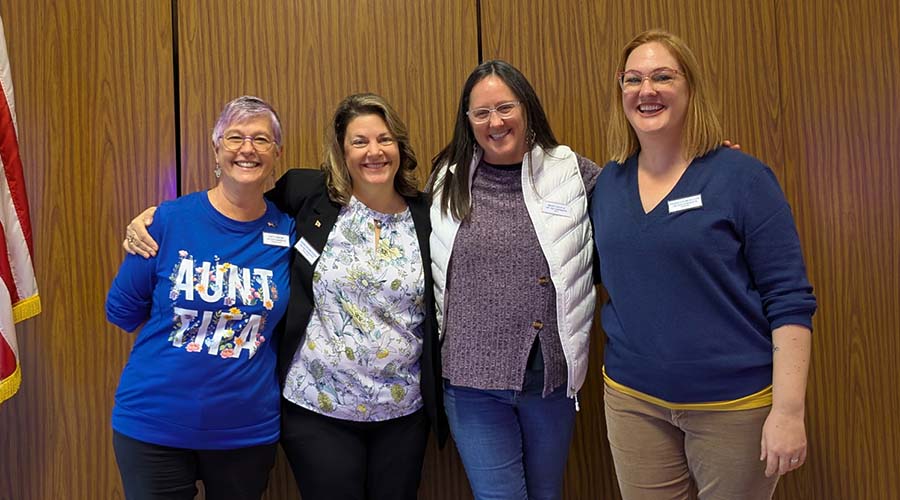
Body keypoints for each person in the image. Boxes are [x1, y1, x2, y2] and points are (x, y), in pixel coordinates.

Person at [123, 93, 447, 500]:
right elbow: (237, 208)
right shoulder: (309, 194)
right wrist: (154, 219)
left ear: (399, 145)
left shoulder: (428, 214)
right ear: (342, 151)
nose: (374, 151)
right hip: (317, 407)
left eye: (384, 139)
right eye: (359, 141)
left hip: (403, 410)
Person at [592, 29, 817, 499]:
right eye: (633, 79)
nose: (646, 90)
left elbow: (789, 298)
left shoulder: (742, 178)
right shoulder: (607, 184)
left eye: (662, 77)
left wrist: (789, 411)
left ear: (690, 87)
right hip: (633, 402)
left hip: (733, 405)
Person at [106, 95, 294, 500]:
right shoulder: (167, 221)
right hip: (154, 425)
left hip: (246, 432)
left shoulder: (289, 232)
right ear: (216, 148)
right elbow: (122, 311)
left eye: (261, 139)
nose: (247, 149)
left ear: (277, 153)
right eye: (235, 137)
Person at [427, 60, 599, 500]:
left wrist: (694, 168)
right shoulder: (446, 178)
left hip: (548, 380)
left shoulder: (572, 173)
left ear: (527, 107)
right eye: (481, 112)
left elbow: (635, 205)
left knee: (546, 494)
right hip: (470, 383)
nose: (495, 122)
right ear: (468, 120)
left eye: (505, 108)